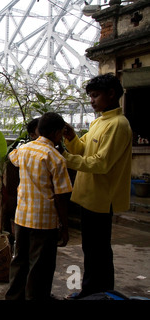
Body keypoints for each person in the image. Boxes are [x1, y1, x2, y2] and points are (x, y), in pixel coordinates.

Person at [62, 73, 132, 299]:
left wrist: (64, 158)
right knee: (91, 249)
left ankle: (99, 292)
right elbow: (82, 150)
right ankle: (94, 291)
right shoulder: (99, 122)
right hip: (87, 195)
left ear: (111, 94)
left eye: (95, 95)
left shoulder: (118, 125)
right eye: (90, 96)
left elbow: (101, 164)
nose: (91, 100)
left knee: (98, 250)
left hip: (101, 197)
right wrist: (72, 137)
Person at [5, 112, 72, 300]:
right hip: (44, 222)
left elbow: (12, 156)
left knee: (20, 260)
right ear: (58, 133)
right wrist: (65, 228)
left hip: (22, 218)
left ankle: (13, 297)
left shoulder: (24, 150)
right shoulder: (56, 158)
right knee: (40, 267)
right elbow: (61, 196)